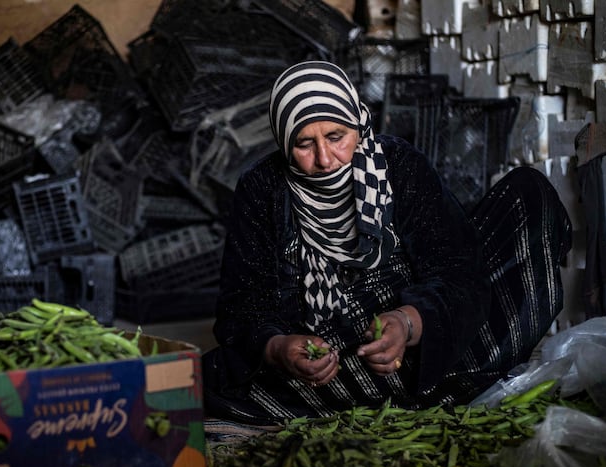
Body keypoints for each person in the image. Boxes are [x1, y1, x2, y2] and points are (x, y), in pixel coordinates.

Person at [202, 60, 572, 425]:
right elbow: (241, 308)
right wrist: (278, 348)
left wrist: (409, 322)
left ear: (358, 126)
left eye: (336, 137)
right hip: (328, 364)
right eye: (303, 144)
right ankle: (412, 394)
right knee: (210, 379)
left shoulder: (399, 165)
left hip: (421, 354)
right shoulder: (262, 189)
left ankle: (426, 382)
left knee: (527, 195)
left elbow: (457, 270)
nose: (325, 160)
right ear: (284, 142)